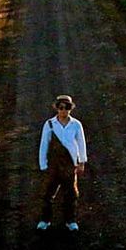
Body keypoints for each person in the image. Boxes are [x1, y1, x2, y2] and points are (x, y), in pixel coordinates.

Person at [37, 94, 87, 231]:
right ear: (57, 108)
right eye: (61, 107)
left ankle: (70, 221)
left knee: (71, 194)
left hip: (70, 164)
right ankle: (45, 220)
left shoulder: (76, 125)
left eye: (67, 107)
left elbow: (81, 144)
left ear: (71, 109)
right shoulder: (49, 124)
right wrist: (43, 164)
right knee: (47, 194)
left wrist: (82, 161)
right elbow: (44, 145)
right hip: (53, 165)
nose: (63, 110)